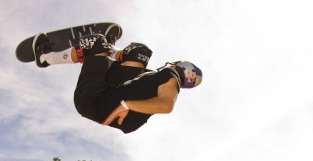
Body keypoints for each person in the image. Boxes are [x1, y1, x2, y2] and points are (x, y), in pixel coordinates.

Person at [32, 30, 202, 134]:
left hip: (93, 99)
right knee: (140, 53)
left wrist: (127, 105)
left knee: (95, 43)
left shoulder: (171, 75)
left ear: (181, 65)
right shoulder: (154, 79)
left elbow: (166, 105)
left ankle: (45, 57)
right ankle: (110, 50)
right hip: (111, 92)